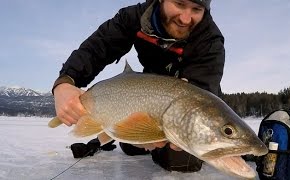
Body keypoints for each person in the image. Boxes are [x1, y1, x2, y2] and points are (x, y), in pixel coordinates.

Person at [52, 0, 225, 172]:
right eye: (179, 4)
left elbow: (203, 92)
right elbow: (97, 48)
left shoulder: (210, 39)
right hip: (147, 87)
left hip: (187, 92)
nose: (186, 19)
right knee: (130, 146)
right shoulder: (134, 17)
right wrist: (65, 82)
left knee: (180, 160)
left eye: (196, 9)